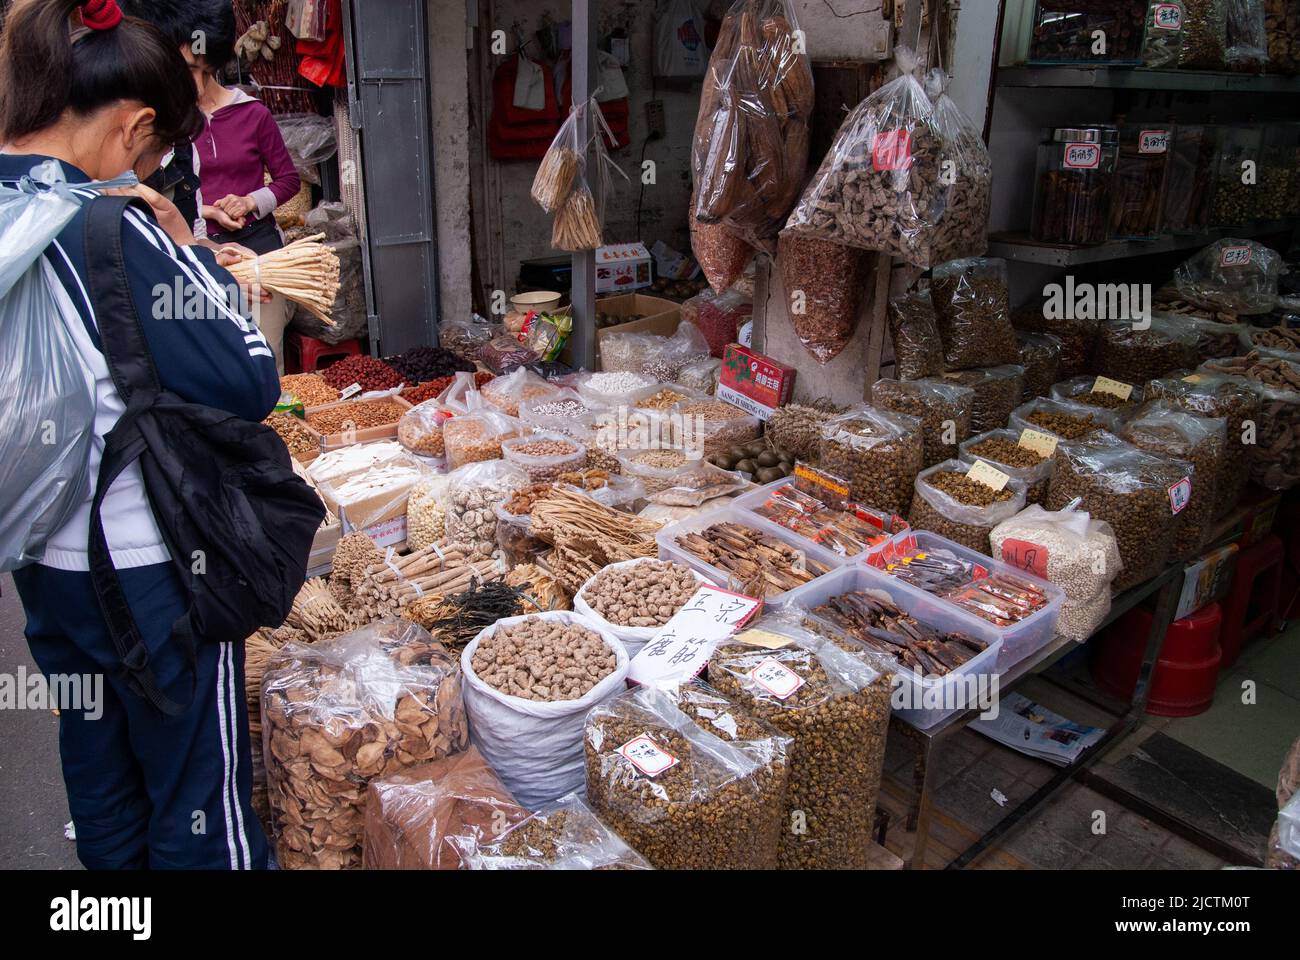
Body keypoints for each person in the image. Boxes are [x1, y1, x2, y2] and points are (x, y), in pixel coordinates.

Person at [0, 0, 279, 869]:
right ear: (135, 128)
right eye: (158, 156)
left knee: (101, 775)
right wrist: (185, 246)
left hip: (43, 572)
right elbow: (250, 380)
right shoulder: (109, 225)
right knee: (198, 797)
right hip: (151, 574)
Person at [183, 0, 301, 372]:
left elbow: (288, 181)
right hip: (205, 254)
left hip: (260, 252)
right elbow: (167, 198)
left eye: (194, 69)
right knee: (217, 361)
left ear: (211, 66)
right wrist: (208, 210)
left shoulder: (252, 113)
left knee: (265, 358)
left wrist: (251, 201)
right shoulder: (174, 123)